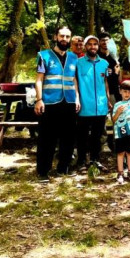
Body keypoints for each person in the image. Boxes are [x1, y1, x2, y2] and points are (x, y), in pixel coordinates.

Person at [34, 26, 81, 182]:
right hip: (49, 102)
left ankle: (63, 168)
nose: (64, 39)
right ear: (55, 37)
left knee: (68, 138)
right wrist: (39, 100)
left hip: (68, 102)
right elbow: (39, 79)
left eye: (67, 37)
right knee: (47, 139)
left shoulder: (74, 58)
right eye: (62, 36)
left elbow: (74, 80)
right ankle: (43, 171)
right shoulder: (44, 55)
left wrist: (77, 98)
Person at [75, 35, 111, 172]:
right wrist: (77, 99)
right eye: (89, 44)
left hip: (100, 106)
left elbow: (105, 82)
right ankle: (82, 161)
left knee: (97, 136)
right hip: (84, 106)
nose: (92, 47)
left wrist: (108, 99)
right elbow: (75, 82)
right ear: (85, 46)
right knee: (82, 136)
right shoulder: (78, 63)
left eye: (95, 44)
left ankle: (95, 160)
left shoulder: (104, 63)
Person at [112, 66, 130, 184]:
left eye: (128, 92)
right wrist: (118, 112)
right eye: (124, 91)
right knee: (120, 153)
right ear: (120, 91)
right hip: (120, 133)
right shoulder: (117, 104)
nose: (127, 94)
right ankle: (120, 173)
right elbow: (113, 120)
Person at [97, 32, 120, 103]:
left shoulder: (114, 57)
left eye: (107, 40)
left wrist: (117, 72)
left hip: (114, 91)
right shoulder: (96, 57)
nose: (105, 42)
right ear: (99, 42)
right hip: (100, 92)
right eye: (102, 40)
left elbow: (118, 76)